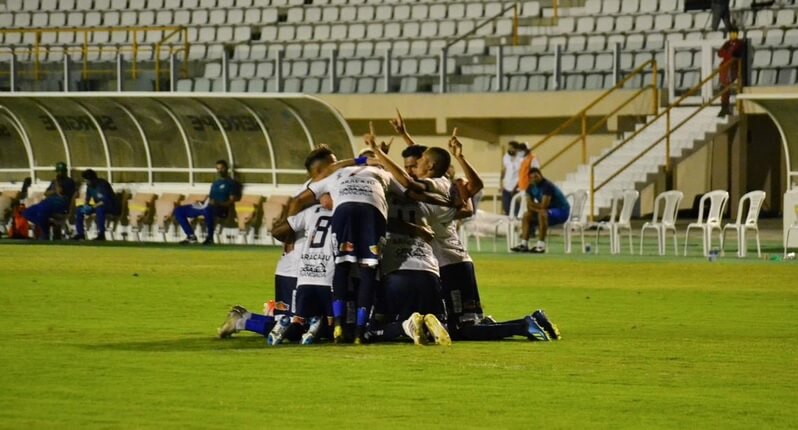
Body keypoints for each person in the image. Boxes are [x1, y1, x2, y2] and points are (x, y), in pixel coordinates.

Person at [217, 147, 337, 339]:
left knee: (316, 326)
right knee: (296, 328)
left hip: (313, 267)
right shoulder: (314, 190)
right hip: (297, 268)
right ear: (320, 170)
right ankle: (242, 320)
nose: (337, 167)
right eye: (333, 164)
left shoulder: (323, 187)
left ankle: (259, 315)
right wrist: (289, 239)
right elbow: (293, 209)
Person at [267, 193, 335, 345]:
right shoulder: (340, 212)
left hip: (303, 276)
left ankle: (280, 327)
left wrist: (289, 242)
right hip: (317, 276)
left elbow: (278, 230)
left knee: (298, 322)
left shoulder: (311, 211)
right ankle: (246, 321)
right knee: (332, 326)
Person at [173, 160, 240, 245]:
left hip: (221, 209)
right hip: (207, 206)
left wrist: (218, 203)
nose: (220, 170)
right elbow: (210, 196)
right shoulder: (215, 183)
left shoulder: (231, 183)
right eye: (218, 168)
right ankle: (191, 236)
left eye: (222, 168)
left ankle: (210, 238)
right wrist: (202, 202)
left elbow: (231, 201)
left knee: (208, 209)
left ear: (227, 168)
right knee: (178, 210)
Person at [512, 167, 570, 254]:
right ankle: (524, 244)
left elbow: (544, 205)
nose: (534, 179)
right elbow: (529, 206)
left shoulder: (547, 186)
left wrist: (534, 205)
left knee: (542, 213)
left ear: (541, 175)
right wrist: (537, 208)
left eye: (536, 176)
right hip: (548, 212)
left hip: (562, 211)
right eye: (531, 177)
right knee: (526, 215)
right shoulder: (530, 187)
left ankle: (540, 246)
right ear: (529, 179)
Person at [22, 162, 76, 240]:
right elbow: (46, 193)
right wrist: (54, 191)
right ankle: (47, 223)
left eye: (60, 171)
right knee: (27, 212)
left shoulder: (69, 181)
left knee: (42, 211)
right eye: (57, 172)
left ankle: (45, 233)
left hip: (60, 203)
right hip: (49, 201)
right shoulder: (54, 181)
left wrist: (57, 183)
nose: (58, 173)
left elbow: (60, 192)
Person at [72, 169, 119, 241]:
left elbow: (104, 201)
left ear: (92, 179)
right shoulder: (89, 186)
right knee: (79, 209)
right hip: (97, 206)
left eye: (87, 180)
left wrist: (92, 207)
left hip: (111, 207)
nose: (86, 182)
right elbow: (87, 199)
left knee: (100, 209)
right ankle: (80, 234)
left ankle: (101, 234)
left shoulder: (103, 185)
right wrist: (86, 206)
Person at [717, 27, 745, 117]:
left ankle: (730, 107)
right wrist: (727, 53)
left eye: (734, 33)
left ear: (737, 34)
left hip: (733, 68)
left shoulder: (740, 43)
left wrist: (727, 53)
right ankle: (724, 108)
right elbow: (719, 53)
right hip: (724, 68)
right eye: (731, 33)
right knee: (723, 87)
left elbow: (735, 54)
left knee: (728, 86)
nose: (732, 35)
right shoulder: (727, 43)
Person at [500, 141, 522, 216]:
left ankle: (516, 220)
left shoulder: (521, 159)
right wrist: (501, 184)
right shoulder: (506, 157)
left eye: (512, 148)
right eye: (509, 148)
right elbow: (504, 171)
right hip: (506, 186)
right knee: (506, 207)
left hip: (517, 187)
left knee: (516, 208)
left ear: (516, 149)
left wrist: (517, 186)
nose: (509, 149)